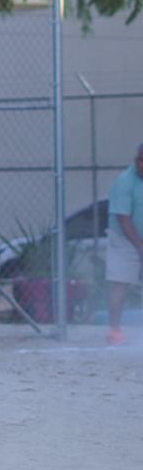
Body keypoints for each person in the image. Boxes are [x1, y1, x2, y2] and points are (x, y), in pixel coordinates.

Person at [103, 142, 143, 346]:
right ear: (138, 161)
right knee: (120, 282)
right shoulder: (125, 182)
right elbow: (123, 218)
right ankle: (114, 331)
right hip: (124, 239)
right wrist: (140, 246)